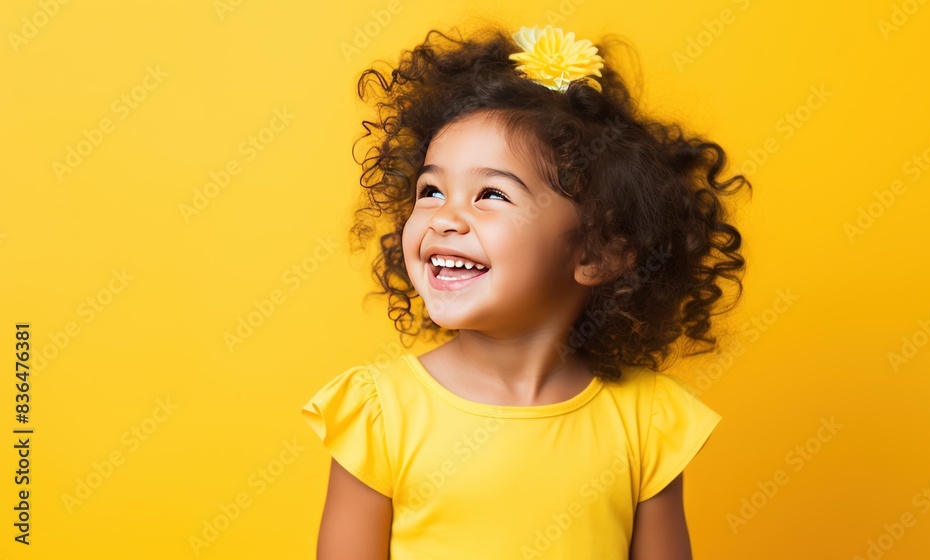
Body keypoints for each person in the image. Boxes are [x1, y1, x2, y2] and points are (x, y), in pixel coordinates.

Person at [301, 21, 750, 559]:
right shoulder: (378, 413)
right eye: (431, 190)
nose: (445, 217)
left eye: (491, 193)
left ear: (598, 252)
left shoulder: (649, 421)